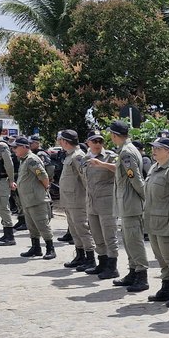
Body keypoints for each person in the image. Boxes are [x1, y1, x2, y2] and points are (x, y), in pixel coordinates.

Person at [139, 137, 169, 304]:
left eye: (158, 148)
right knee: (161, 257)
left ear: (168, 151)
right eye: (153, 148)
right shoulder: (154, 168)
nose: (154, 151)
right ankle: (166, 287)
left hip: (167, 223)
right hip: (152, 222)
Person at [109, 121, 150, 291]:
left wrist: (146, 199)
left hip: (131, 203)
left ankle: (141, 274)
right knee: (128, 239)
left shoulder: (126, 152)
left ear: (114, 135)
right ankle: (133, 271)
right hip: (127, 202)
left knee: (134, 240)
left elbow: (136, 179)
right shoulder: (128, 149)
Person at [81, 134, 121, 280]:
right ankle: (102, 263)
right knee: (97, 235)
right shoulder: (85, 159)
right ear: (88, 143)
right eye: (94, 141)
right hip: (91, 201)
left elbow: (120, 169)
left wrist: (102, 164)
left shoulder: (110, 156)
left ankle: (112, 267)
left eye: (101, 141)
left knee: (109, 235)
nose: (98, 144)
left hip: (106, 202)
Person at [57, 130, 95, 270]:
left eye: (61, 140)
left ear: (66, 142)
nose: (60, 142)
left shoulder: (78, 156)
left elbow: (85, 178)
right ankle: (80, 255)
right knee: (74, 230)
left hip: (77, 200)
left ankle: (90, 258)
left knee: (82, 229)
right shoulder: (70, 156)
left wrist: (89, 197)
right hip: (69, 200)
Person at [13, 137, 56, 260]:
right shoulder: (24, 160)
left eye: (16, 147)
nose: (14, 149)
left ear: (25, 147)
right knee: (31, 225)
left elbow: (43, 176)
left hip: (36, 199)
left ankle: (50, 248)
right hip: (27, 199)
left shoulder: (32, 159)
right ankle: (36, 248)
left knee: (42, 224)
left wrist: (44, 189)